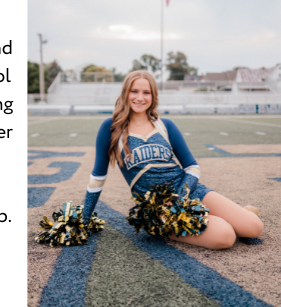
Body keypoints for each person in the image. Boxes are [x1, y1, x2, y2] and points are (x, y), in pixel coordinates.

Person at [82, 70, 263, 249]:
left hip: (187, 191)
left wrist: (180, 197)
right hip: (158, 210)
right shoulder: (111, 128)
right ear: (125, 93)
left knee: (255, 228)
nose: (140, 97)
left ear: (153, 96)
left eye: (146, 92)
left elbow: (192, 167)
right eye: (134, 91)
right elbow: (98, 177)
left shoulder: (165, 125)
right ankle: (229, 219)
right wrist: (84, 220)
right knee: (225, 236)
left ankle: (242, 215)